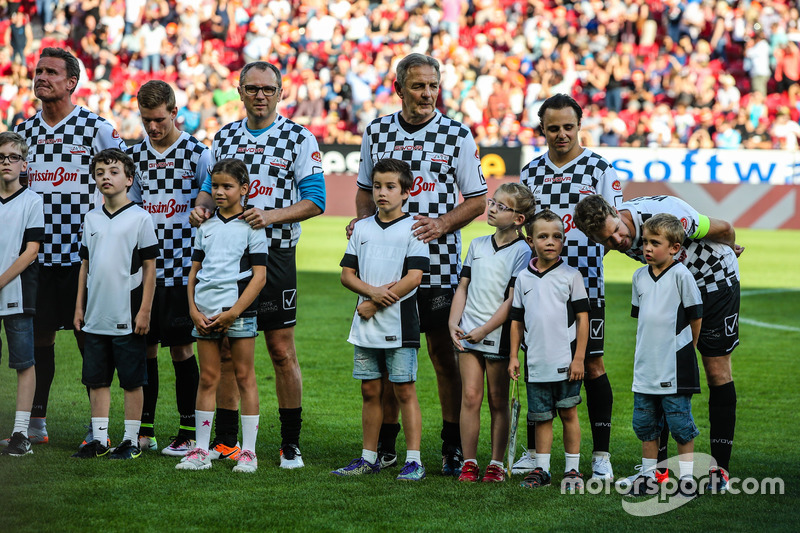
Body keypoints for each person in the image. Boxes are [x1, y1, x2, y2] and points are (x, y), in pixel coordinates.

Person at [349, 53, 487, 476]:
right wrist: (360, 230)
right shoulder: (377, 131)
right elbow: (363, 191)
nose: (427, 94)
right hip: (384, 271)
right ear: (399, 87)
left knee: (443, 355)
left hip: (439, 266)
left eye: (432, 86)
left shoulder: (457, 133)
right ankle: (385, 448)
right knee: (386, 353)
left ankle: (450, 446)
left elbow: (479, 199)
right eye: (418, 86)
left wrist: (443, 222)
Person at [189, 61, 325, 469]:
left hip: (276, 254)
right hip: (227, 258)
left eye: (267, 88)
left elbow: (316, 200)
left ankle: (290, 443)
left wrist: (271, 215)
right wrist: (199, 210)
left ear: (281, 91)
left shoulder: (299, 138)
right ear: (240, 90)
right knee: (225, 348)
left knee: (281, 351)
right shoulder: (225, 135)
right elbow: (206, 192)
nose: (259, 95)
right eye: (251, 88)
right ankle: (228, 442)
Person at [574, 193, 742, 493]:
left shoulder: (670, 217)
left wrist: (732, 248)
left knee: (716, 371)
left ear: (616, 211)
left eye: (617, 231)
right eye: (608, 241)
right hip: (669, 289)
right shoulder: (611, 237)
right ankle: (657, 474)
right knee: (663, 371)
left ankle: (720, 471)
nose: (618, 241)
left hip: (714, 281)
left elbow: (725, 227)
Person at [14, 48, 126, 447]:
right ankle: (36, 423)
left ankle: (96, 428)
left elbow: (126, 186)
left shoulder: (97, 128)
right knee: (39, 338)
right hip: (36, 257)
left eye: (51, 72)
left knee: (88, 338)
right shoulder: (23, 131)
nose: (41, 77)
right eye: (38, 71)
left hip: (83, 257)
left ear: (71, 82)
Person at [517, 93, 622, 481]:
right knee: (537, 363)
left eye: (568, 127)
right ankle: (534, 453)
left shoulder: (599, 168)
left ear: (579, 126)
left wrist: (579, 271)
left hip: (586, 286)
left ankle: (601, 456)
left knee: (591, 364)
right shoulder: (530, 172)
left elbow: (613, 232)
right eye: (553, 128)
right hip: (538, 289)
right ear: (542, 129)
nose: (561, 134)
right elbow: (522, 230)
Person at [128, 80, 212, 456]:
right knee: (144, 349)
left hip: (181, 270)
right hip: (145, 271)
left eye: (159, 119)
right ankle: (144, 428)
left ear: (175, 113)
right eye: (147, 120)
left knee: (181, 350)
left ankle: (188, 429)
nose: (153, 127)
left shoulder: (198, 153)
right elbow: (131, 209)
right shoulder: (135, 155)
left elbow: (208, 204)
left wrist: (201, 211)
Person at [333, 158, 429, 481]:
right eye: (377, 186)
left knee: (404, 390)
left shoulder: (414, 228)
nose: (382, 193)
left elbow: (414, 277)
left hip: (400, 324)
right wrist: (372, 293)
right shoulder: (361, 228)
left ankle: (413, 460)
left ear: (406, 192)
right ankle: (368, 457)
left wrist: (374, 302)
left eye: (390, 187)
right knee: (370, 391)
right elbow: (347, 275)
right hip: (366, 326)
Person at [178, 159, 267, 473]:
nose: (219, 191)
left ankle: (249, 453)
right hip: (204, 314)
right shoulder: (206, 226)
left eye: (227, 186)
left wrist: (234, 313)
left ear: (244, 189)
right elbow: (194, 272)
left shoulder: (253, 227)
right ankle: (201, 450)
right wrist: (192, 309)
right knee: (208, 379)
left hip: (238, 314)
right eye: (215, 185)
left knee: (245, 378)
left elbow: (259, 277)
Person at [71, 149, 158, 460]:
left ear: (129, 179)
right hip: (95, 314)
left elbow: (150, 267)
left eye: (114, 171)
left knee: (132, 380)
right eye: (100, 172)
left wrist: (145, 310)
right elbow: (85, 265)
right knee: (96, 378)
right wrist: (79, 308)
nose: (106, 176)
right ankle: (98, 439)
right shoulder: (91, 217)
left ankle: (131, 440)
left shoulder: (140, 217)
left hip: (128, 313)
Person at [448, 183, 533, 483]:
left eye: (501, 206)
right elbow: (463, 287)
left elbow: (511, 300)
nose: (492, 208)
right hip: (467, 333)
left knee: (498, 401)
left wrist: (483, 329)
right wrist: (453, 322)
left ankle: (496, 463)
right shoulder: (477, 245)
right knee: (470, 397)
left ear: (519, 219)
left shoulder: (523, 251)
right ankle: (469, 462)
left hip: (496, 336)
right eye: (492, 202)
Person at [622, 214, 703, 498]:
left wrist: (687, 350)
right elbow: (642, 318)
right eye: (644, 241)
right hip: (645, 366)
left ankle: (687, 480)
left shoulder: (682, 275)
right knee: (645, 424)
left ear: (674, 248)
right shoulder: (638, 277)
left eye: (654, 242)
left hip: (675, 367)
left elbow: (696, 316)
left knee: (680, 424)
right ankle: (648, 477)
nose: (646, 247)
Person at [508, 210, 589, 490]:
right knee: (541, 417)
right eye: (543, 236)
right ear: (531, 241)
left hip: (567, 363)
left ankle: (572, 469)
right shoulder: (523, 279)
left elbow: (583, 319)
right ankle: (541, 469)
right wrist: (513, 357)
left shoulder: (571, 276)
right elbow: (516, 321)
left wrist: (579, 358)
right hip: (535, 362)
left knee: (568, 414)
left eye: (557, 237)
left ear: (564, 240)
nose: (550, 242)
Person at [0, 132, 44, 457]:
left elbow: (31, 251)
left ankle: (20, 433)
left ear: (24, 164)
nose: (6, 162)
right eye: (1, 157)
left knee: (24, 361)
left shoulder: (32, 200)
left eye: (13, 157)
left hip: (17, 292)